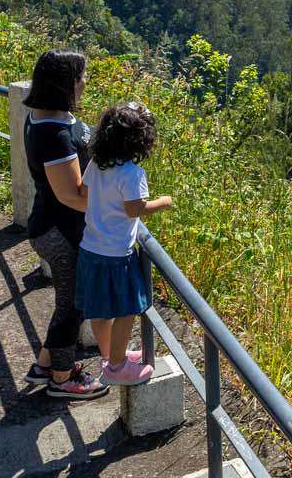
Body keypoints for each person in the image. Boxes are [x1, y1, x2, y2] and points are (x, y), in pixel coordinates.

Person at [22, 50, 109, 400]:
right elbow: (71, 195)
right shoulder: (54, 134)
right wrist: (115, 204)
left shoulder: (49, 116)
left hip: (55, 225)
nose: (85, 82)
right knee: (73, 304)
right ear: (65, 84)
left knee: (69, 302)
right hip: (59, 230)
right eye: (81, 77)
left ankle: (45, 365)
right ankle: (62, 377)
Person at [77, 101, 173, 385]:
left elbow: (84, 191)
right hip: (117, 254)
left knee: (99, 309)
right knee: (127, 309)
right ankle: (117, 368)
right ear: (140, 142)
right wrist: (162, 202)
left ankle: (111, 356)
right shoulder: (133, 174)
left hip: (90, 248)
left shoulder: (97, 163)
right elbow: (135, 209)